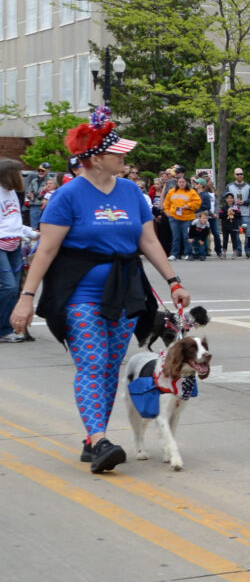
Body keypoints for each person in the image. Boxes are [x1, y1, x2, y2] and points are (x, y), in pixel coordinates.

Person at [10, 106, 190, 472]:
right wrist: (26, 299)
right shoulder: (68, 196)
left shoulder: (130, 193)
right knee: (92, 363)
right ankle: (99, 440)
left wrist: (173, 282)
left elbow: (149, 242)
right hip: (80, 292)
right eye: (117, 152)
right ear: (93, 158)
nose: (125, 156)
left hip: (124, 291)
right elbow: (46, 249)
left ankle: (94, 438)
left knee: (109, 365)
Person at [0, 159, 39, 343]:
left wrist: (32, 233)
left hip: (15, 245)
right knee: (9, 287)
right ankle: (3, 329)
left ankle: (7, 328)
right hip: (1, 245)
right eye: (17, 172)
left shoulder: (12, 193)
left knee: (14, 289)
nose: (20, 176)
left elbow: (14, 223)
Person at [163, 175, 201, 260]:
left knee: (186, 236)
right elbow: (166, 203)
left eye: (183, 182)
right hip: (174, 217)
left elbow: (198, 203)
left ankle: (188, 253)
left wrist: (188, 206)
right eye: (179, 182)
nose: (181, 183)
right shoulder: (172, 191)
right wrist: (167, 212)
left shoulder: (191, 192)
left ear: (186, 183)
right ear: (177, 183)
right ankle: (174, 254)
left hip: (187, 218)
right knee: (175, 236)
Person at [226, 167, 250, 257]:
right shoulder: (229, 186)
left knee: (248, 232)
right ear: (234, 175)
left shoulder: (248, 186)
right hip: (234, 212)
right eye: (238, 174)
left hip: (245, 212)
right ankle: (238, 250)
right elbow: (225, 198)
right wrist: (233, 201)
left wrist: (245, 202)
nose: (240, 176)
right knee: (235, 232)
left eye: (241, 174)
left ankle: (248, 250)